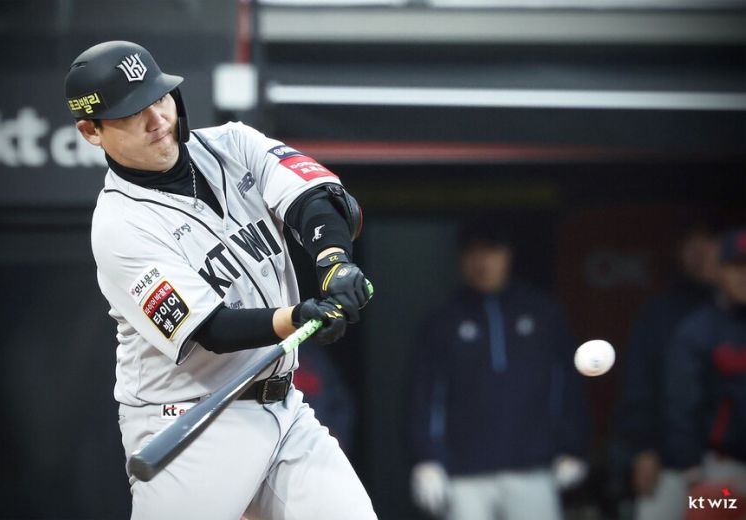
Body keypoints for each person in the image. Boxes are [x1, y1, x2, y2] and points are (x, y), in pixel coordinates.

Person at [64, 41, 376, 520]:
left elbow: (317, 198)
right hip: (191, 421)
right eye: (132, 112)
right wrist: (297, 316)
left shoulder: (233, 143)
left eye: (159, 98)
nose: (157, 119)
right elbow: (211, 329)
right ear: (91, 130)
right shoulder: (119, 226)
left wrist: (334, 262)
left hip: (283, 407)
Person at [407, 221, 589, 520]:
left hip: (534, 468)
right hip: (463, 474)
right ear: (461, 259)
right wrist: (427, 459)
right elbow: (424, 395)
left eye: (491, 251)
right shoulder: (442, 321)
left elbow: (565, 384)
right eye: (473, 252)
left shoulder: (543, 313)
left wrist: (572, 446)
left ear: (508, 255)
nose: (482, 262)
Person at [615, 225, 719, 519]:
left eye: (707, 243)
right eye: (690, 245)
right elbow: (639, 383)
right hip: (669, 466)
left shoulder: (734, 316)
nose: (699, 254)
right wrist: (643, 449)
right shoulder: (660, 312)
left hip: (728, 464)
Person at [663, 228, 746, 518]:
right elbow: (681, 405)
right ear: (719, 271)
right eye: (736, 266)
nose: (743, 276)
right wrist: (692, 471)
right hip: (721, 470)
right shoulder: (698, 330)